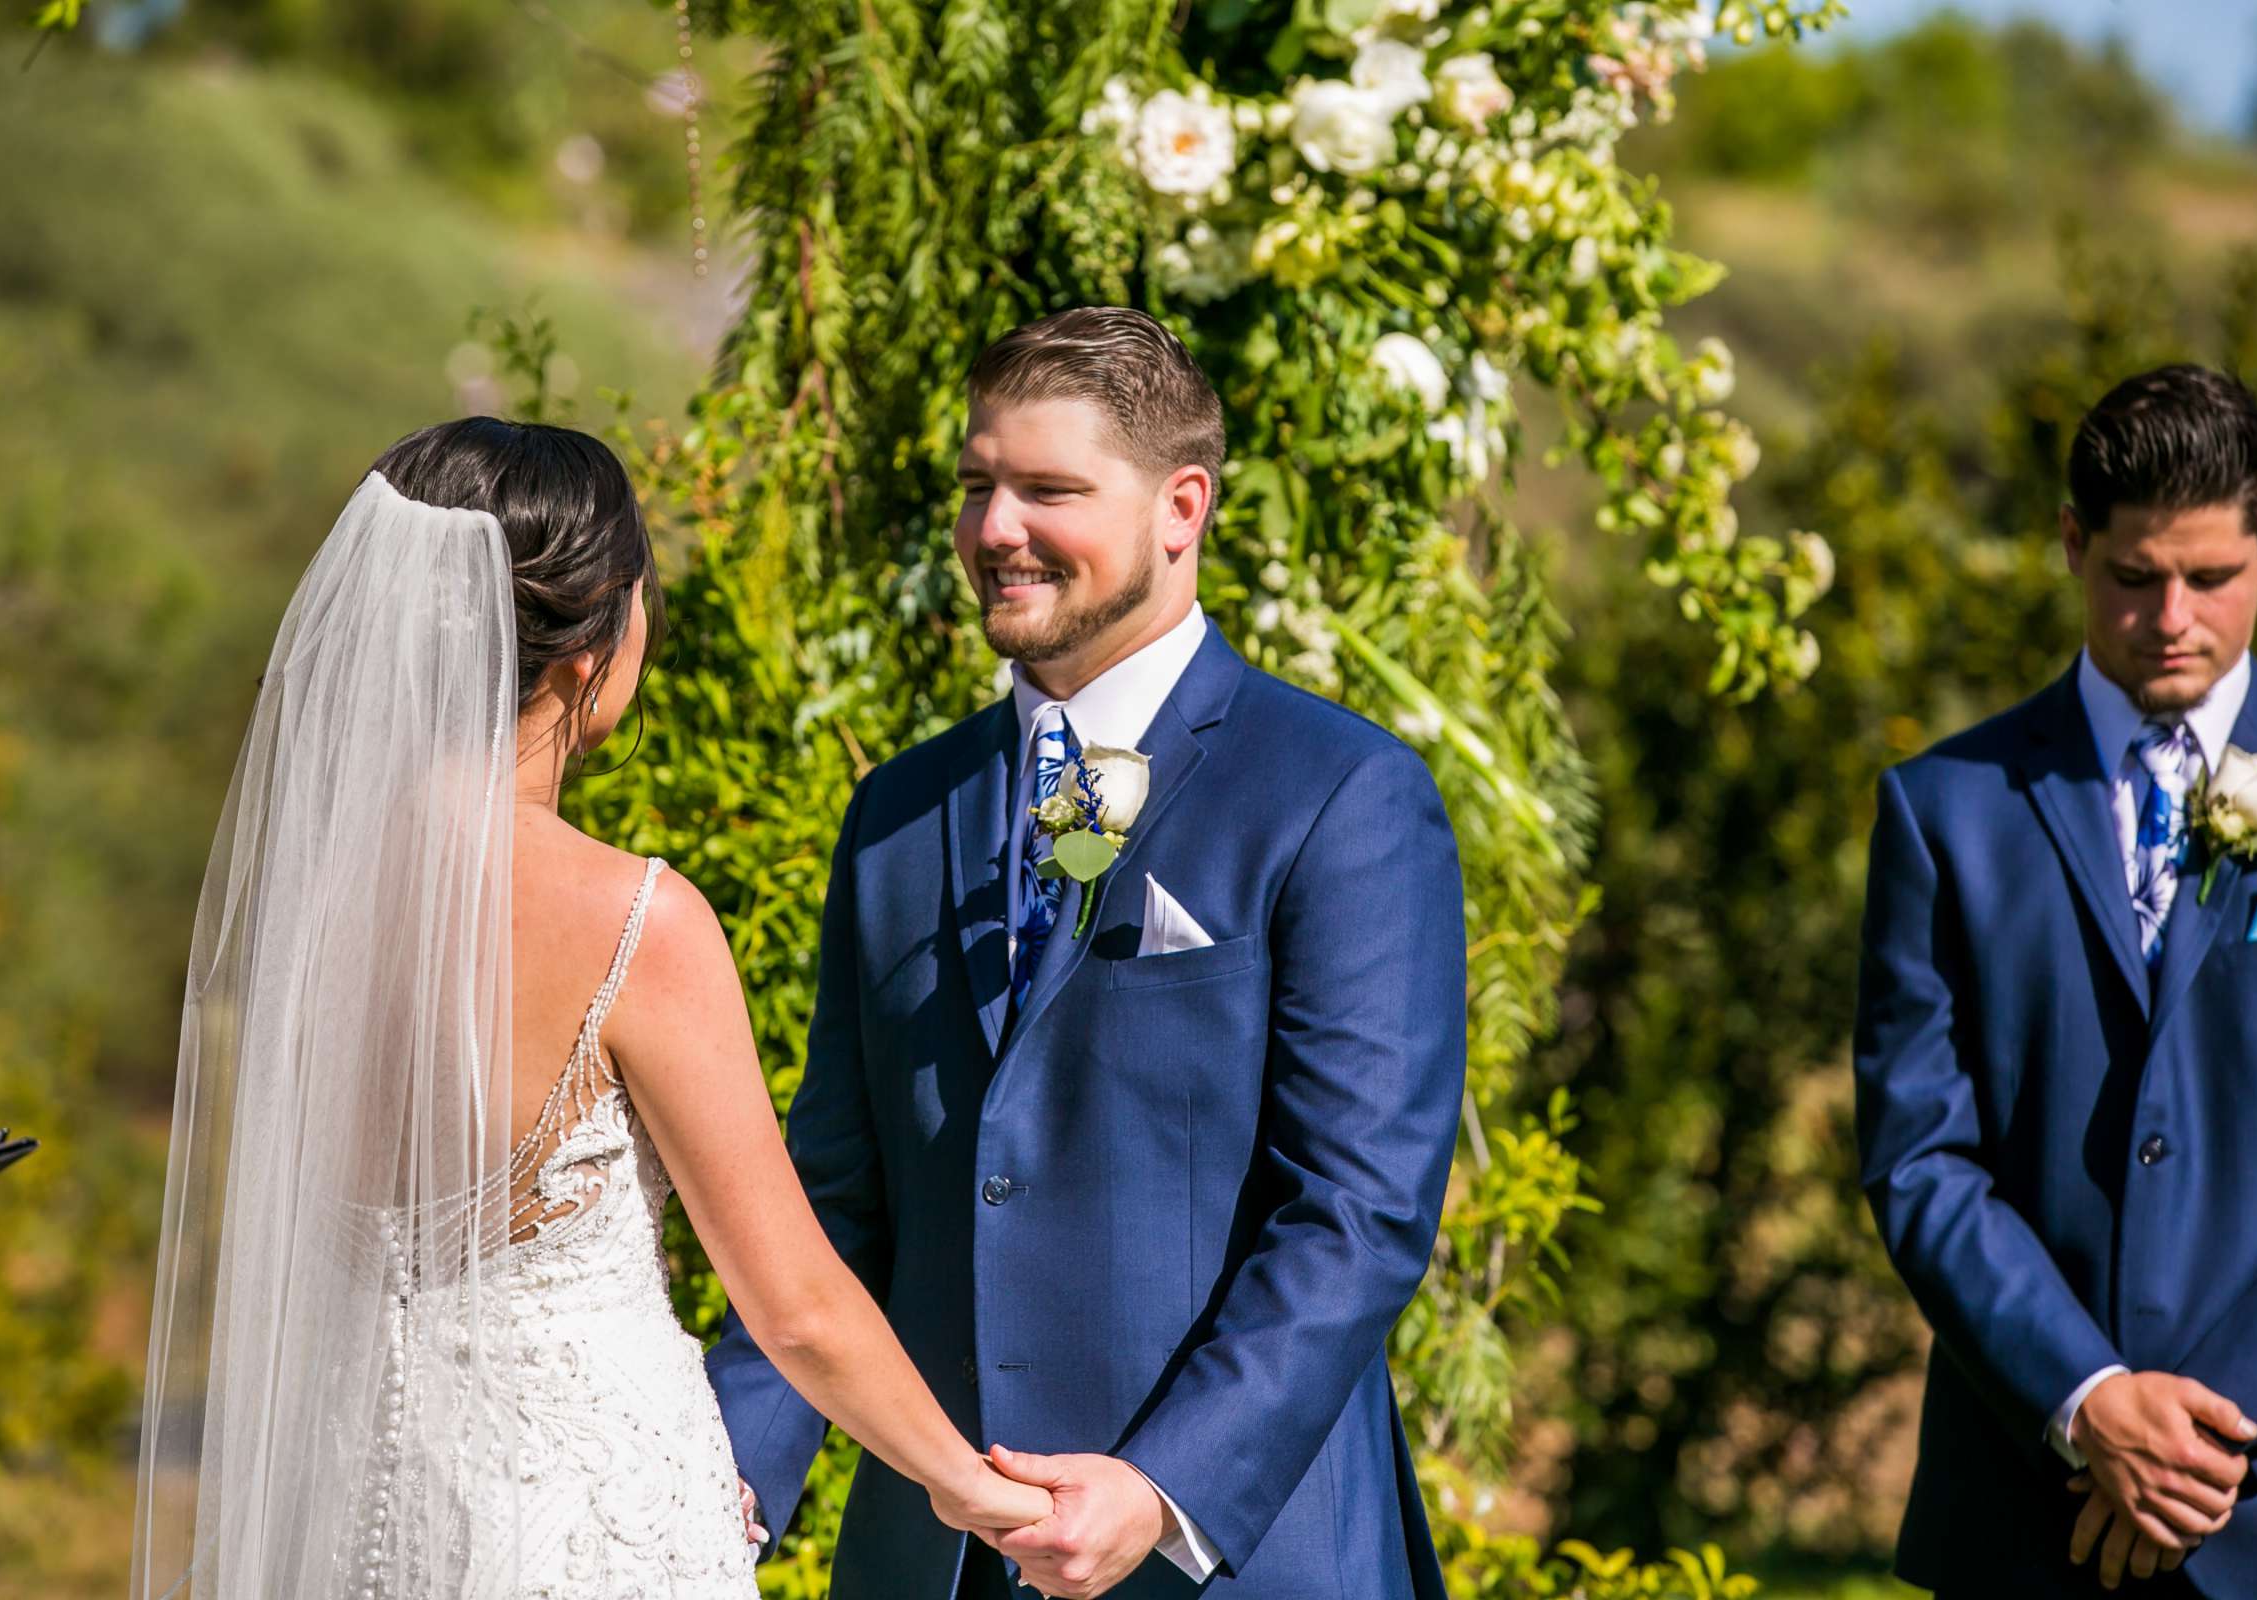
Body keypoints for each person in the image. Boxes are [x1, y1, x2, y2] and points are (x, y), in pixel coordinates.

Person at [128, 419, 1048, 1599]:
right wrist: (977, 1489)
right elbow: (798, 1307)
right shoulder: (635, 920)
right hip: (581, 1524)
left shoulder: (314, 904)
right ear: (594, 639)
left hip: (351, 1511)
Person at [709, 307, 1468, 1599]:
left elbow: (1354, 1213)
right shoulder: (900, 814)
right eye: (976, 486)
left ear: (1183, 507)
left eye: (1047, 489)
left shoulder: (1342, 796)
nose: (993, 529)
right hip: (932, 1565)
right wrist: (724, 1472)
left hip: (1228, 1558)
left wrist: (1160, 1485)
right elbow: (835, 1200)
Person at [1856, 364, 2257, 1597]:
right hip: (2020, 1518)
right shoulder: (1946, 811)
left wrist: (2203, 1447)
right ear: (2069, 543)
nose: (2172, 620)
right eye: (2132, 577)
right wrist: (2090, 1402)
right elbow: (1918, 1154)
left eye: (2209, 578)